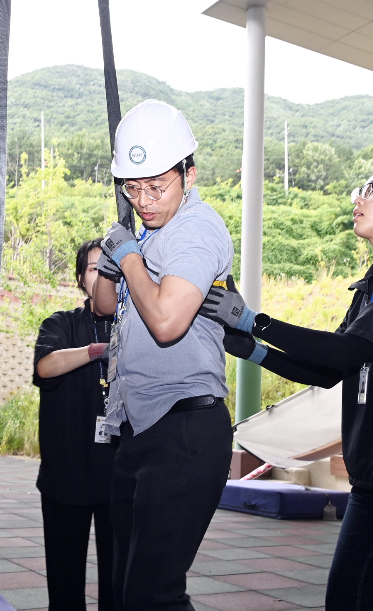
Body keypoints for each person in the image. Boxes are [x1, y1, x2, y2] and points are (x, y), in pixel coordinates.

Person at [199, 158, 373, 611]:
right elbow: (330, 369)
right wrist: (249, 347)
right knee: (350, 598)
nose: (359, 198)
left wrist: (255, 320)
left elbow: (345, 353)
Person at [92, 99, 234, 611]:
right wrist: (114, 259)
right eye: (133, 187)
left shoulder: (195, 229)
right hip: (140, 429)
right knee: (128, 591)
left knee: (155, 595)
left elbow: (168, 323)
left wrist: (128, 254)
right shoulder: (147, 229)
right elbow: (105, 305)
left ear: (189, 174)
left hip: (185, 431)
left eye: (157, 185)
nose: (145, 199)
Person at [33, 238, 117, 611]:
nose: (100, 276)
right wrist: (94, 351)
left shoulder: (136, 325)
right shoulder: (61, 324)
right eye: (93, 268)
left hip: (120, 477)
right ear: (81, 279)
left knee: (120, 586)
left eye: (109, 268)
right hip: (66, 474)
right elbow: (45, 367)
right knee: (65, 588)